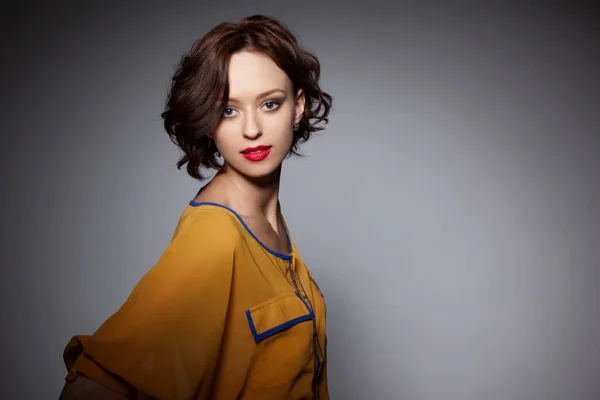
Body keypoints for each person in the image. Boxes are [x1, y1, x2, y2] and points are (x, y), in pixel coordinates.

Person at [58, 14, 332, 400]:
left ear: (298, 106)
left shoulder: (270, 224)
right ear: (207, 120)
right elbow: (91, 390)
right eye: (228, 110)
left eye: (270, 104)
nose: (251, 129)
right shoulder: (215, 235)